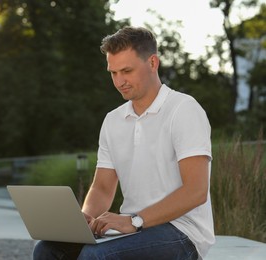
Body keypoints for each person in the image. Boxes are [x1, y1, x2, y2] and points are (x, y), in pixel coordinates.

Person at [33, 26, 215, 260]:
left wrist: (134, 220)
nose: (120, 81)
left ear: (152, 63)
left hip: (182, 232)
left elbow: (196, 191)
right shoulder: (113, 120)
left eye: (127, 71)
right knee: (48, 249)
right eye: (113, 73)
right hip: (133, 228)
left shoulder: (184, 110)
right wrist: (84, 219)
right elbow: (102, 187)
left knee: (95, 256)